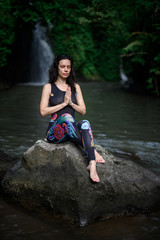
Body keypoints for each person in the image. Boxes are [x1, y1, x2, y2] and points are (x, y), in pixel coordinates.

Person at [40, 55, 105, 183]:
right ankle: (92, 149)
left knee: (85, 123)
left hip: (71, 130)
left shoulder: (75, 87)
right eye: (63, 67)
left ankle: (92, 164)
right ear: (57, 68)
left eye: (68, 67)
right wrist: (63, 104)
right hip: (54, 133)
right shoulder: (48, 87)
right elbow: (43, 111)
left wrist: (71, 103)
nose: (66, 70)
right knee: (66, 117)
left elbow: (83, 111)